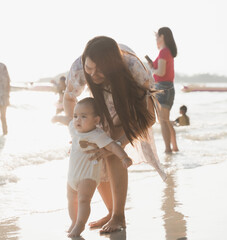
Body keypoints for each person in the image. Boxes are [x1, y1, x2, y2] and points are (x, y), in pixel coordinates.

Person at [63, 36, 166, 233]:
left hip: (128, 100)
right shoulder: (80, 67)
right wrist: (78, 132)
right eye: (89, 68)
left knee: (112, 152)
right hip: (102, 101)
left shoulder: (133, 67)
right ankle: (111, 212)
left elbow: (149, 117)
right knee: (95, 151)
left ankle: (119, 216)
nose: (92, 74)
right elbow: (69, 97)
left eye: (98, 69)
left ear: (111, 64)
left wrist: (119, 143)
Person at [52, 97, 133, 237]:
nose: (78, 120)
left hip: (88, 176)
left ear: (96, 120)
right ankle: (73, 221)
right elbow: (68, 121)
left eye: (83, 116)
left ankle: (80, 225)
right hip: (72, 175)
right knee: (71, 199)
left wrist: (124, 157)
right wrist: (57, 118)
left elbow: (113, 146)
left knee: (83, 199)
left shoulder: (97, 135)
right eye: (76, 115)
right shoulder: (74, 128)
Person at [148, 27, 179, 153]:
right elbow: (161, 70)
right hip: (168, 87)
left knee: (163, 121)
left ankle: (168, 150)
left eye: (157, 37)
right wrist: (153, 66)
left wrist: (152, 70)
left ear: (162, 37)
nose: (156, 39)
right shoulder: (167, 52)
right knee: (165, 119)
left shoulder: (163, 52)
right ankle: (174, 147)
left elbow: (161, 72)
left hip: (162, 88)